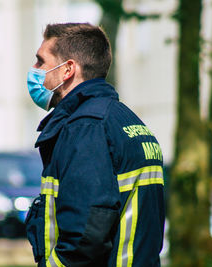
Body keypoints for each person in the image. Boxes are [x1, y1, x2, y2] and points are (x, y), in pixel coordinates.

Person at [25, 22, 165, 267]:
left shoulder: (86, 128)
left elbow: (85, 236)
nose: (34, 69)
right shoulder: (126, 121)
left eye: (40, 62)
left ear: (67, 69)